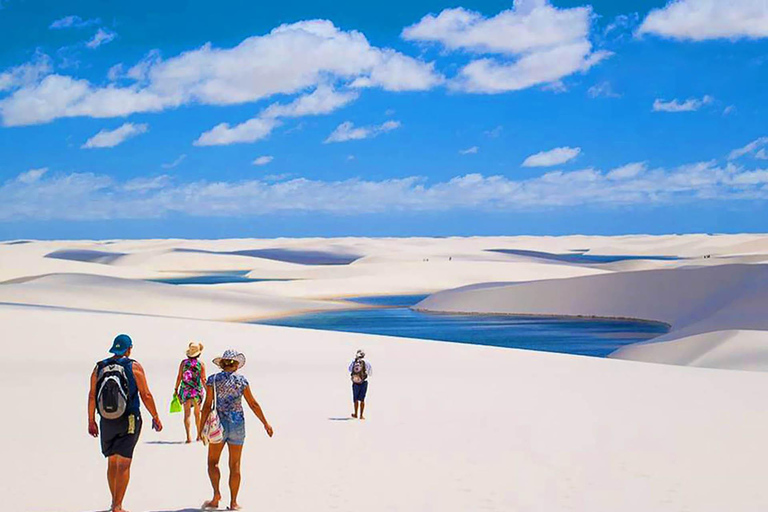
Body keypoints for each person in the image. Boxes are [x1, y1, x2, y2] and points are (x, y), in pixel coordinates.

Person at [88, 334, 163, 512]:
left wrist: (91, 420)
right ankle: (118, 506)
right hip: (129, 418)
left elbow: (92, 395)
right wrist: (155, 416)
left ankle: (114, 502)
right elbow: (146, 394)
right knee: (124, 462)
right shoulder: (133, 366)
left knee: (112, 461)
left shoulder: (99, 367)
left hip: (106, 419)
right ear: (129, 348)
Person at [200, 349, 274, 510]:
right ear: (236, 365)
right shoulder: (241, 381)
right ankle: (233, 502)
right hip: (237, 423)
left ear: (222, 363)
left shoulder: (213, 380)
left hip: (217, 425)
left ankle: (216, 496)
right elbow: (253, 404)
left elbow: (207, 405)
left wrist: (201, 428)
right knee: (235, 465)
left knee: (212, 462)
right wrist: (265, 423)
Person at [174, 342, 207, 443]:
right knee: (197, 414)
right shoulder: (200, 364)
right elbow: (203, 379)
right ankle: (199, 435)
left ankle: (188, 437)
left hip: (185, 391)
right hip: (197, 391)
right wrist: (208, 391)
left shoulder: (183, 363)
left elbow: (179, 377)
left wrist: (176, 389)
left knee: (187, 414)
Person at [349, 349, 372, 420]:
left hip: (355, 382)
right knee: (362, 399)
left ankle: (355, 413)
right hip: (364, 382)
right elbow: (370, 373)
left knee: (355, 398)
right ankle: (361, 415)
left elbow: (349, 369)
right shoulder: (367, 362)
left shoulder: (354, 362)